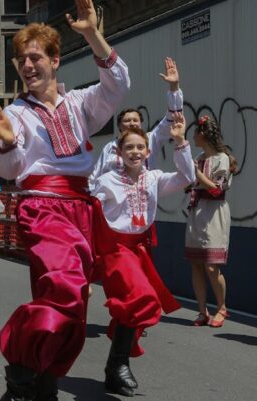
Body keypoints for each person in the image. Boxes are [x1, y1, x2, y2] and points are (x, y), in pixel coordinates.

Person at [0, 1, 130, 398]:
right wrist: (7, 141)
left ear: (55, 59)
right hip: (42, 208)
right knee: (64, 288)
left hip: (82, 209)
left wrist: (91, 33)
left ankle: (41, 383)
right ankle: (20, 366)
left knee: (72, 310)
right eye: (20, 60)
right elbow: (11, 171)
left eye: (34, 57)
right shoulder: (15, 113)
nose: (27, 66)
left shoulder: (79, 104)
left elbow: (118, 86)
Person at [92, 116, 193, 396]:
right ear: (119, 153)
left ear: (148, 152)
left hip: (139, 249)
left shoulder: (154, 178)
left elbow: (187, 177)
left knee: (133, 305)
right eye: (130, 148)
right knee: (143, 299)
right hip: (115, 249)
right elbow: (86, 209)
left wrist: (181, 141)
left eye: (140, 147)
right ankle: (118, 364)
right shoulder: (106, 181)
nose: (135, 152)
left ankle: (115, 368)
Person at [90, 57, 184, 186]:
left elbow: (173, 118)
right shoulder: (110, 147)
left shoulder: (151, 139)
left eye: (135, 120)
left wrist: (174, 86)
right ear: (119, 126)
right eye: (127, 120)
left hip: (144, 197)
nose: (132, 123)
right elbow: (95, 177)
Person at [185, 116, 235, 328]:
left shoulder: (222, 158)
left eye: (196, 132)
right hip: (197, 213)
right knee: (196, 265)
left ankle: (222, 307)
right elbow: (190, 184)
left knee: (212, 266)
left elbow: (216, 189)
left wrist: (196, 173)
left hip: (214, 214)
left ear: (203, 135)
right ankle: (202, 310)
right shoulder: (198, 157)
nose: (194, 136)